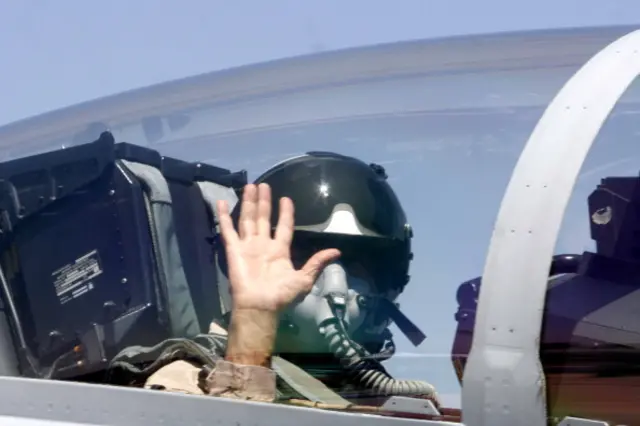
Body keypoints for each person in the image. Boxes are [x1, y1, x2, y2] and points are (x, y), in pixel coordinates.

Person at [111, 152, 438, 406]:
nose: (334, 278)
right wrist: (254, 327)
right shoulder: (185, 381)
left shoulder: (387, 397)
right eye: (301, 254)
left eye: (358, 261)